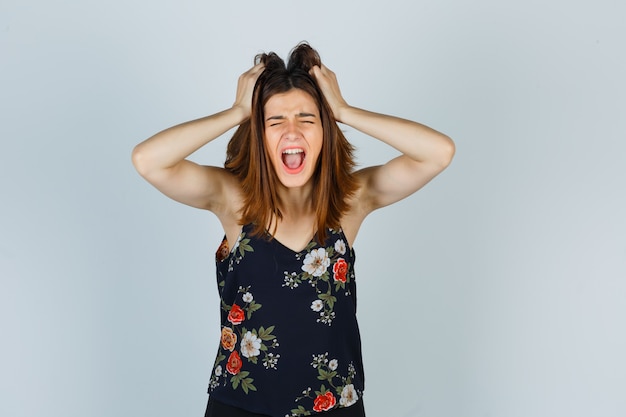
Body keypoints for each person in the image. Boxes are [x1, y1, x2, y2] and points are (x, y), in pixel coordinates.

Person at [132, 42, 455, 417]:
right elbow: (148, 161)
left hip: (334, 407)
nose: (291, 131)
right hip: (240, 406)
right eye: (274, 121)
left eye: (307, 118)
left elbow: (439, 152)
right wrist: (238, 111)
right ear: (258, 134)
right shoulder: (234, 201)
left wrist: (345, 111)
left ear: (325, 130)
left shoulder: (350, 203)